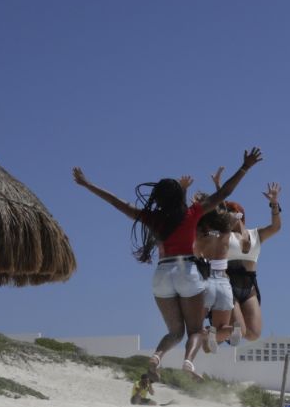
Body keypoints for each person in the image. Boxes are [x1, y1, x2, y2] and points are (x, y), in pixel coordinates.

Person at [74, 148, 262, 380]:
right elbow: (224, 193)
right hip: (186, 271)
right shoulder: (192, 213)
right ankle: (188, 363)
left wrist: (88, 184)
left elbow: (116, 202)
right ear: (180, 197)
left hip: (162, 274)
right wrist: (245, 167)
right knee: (194, 330)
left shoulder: (152, 218)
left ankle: (156, 358)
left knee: (174, 331)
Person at [221, 180, 283, 342]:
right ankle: (213, 332)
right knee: (239, 331)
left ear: (238, 214)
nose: (225, 217)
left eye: (229, 213)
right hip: (228, 283)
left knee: (254, 334)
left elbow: (275, 227)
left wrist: (274, 203)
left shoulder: (256, 234)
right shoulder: (223, 235)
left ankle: (220, 331)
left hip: (249, 284)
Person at [194, 204, 240, 351]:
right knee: (222, 327)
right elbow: (235, 216)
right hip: (223, 283)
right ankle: (230, 331)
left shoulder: (200, 237)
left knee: (195, 328)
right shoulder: (225, 233)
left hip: (206, 282)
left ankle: (208, 334)